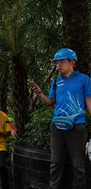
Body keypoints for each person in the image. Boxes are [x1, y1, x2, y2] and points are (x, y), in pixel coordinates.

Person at [32, 48, 91, 189]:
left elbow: (89, 101)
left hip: (77, 127)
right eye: (56, 62)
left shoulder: (84, 79)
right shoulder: (56, 81)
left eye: (62, 61)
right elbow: (51, 102)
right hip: (57, 127)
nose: (58, 64)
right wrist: (40, 94)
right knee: (55, 163)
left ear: (72, 62)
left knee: (78, 165)